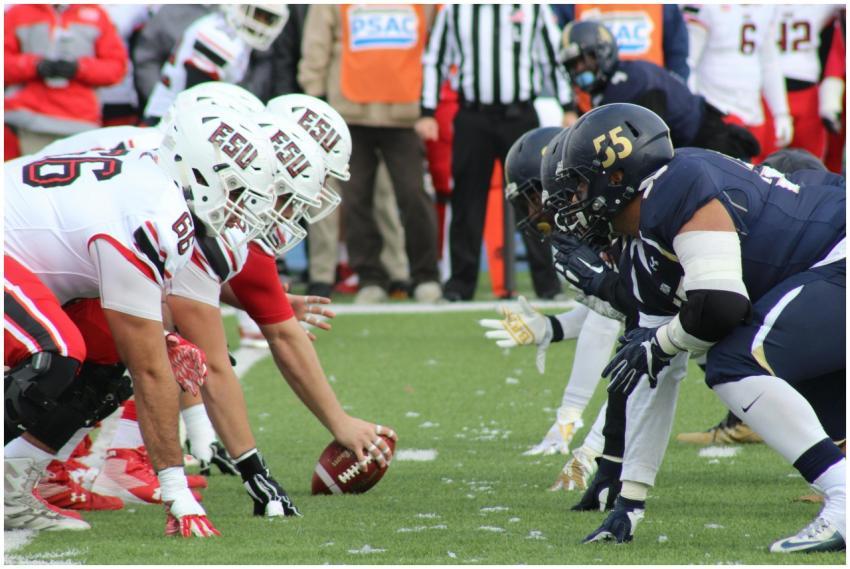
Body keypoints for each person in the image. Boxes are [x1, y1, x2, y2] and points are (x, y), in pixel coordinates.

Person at [551, 103, 845, 553]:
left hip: (838, 253)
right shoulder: (641, 253)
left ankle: (844, 501)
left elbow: (722, 305)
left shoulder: (676, 183)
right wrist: (631, 500)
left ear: (615, 176)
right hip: (827, 269)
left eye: (579, 186)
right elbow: (655, 377)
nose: (573, 204)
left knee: (735, 361)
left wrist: (662, 343)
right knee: (811, 399)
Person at [4, 102, 278, 536]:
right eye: (235, 191)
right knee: (54, 354)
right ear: (202, 174)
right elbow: (151, 368)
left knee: (110, 358)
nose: (240, 208)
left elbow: (143, 336)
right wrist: (177, 492)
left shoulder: (161, 188)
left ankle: (10, 489)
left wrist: (162, 339)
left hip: (28, 260)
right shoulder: (153, 213)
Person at [418, 4, 573, 302]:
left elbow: (553, 58)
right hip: (473, 115)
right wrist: (427, 110)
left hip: (520, 115)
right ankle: (460, 285)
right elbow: (435, 59)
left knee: (536, 200)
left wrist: (567, 106)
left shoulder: (533, 8)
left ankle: (548, 285)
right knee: (466, 200)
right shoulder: (456, 9)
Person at [298, 4, 441, 304]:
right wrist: (317, 100)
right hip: (349, 112)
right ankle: (370, 277)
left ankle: (426, 275)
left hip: (404, 111)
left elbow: (437, 41)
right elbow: (316, 45)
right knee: (356, 199)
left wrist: (428, 107)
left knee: (414, 195)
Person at [560, 20, 760, 160]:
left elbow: (648, 148)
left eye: (583, 61)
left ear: (601, 52)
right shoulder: (619, 79)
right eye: (573, 65)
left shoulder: (630, 82)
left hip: (711, 145)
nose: (579, 69)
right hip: (695, 147)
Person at [4, 4, 128, 156]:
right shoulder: (18, 13)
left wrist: (80, 68)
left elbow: (116, 68)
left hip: (80, 123)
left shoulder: (96, 15)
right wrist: (34, 66)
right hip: (28, 121)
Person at [142, 4, 288, 123]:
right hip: (168, 119)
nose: (260, 24)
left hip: (179, 116)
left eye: (268, 19)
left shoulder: (235, 36)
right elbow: (197, 99)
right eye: (257, 14)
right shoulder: (217, 36)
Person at [684, 4, 792, 162]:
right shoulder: (706, 6)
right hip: (716, 108)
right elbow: (689, 61)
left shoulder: (767, 7)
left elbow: (770, 63)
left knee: (754, 172)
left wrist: (781, 113)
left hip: (752, 109)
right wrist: (696, 108)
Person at [552, 4, 690, 81]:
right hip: (592, 107)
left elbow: (677, 55)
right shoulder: (567, 5)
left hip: (650, 101)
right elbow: (559, 53)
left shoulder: (664, 6)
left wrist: (675, 91)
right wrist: (569, 108)